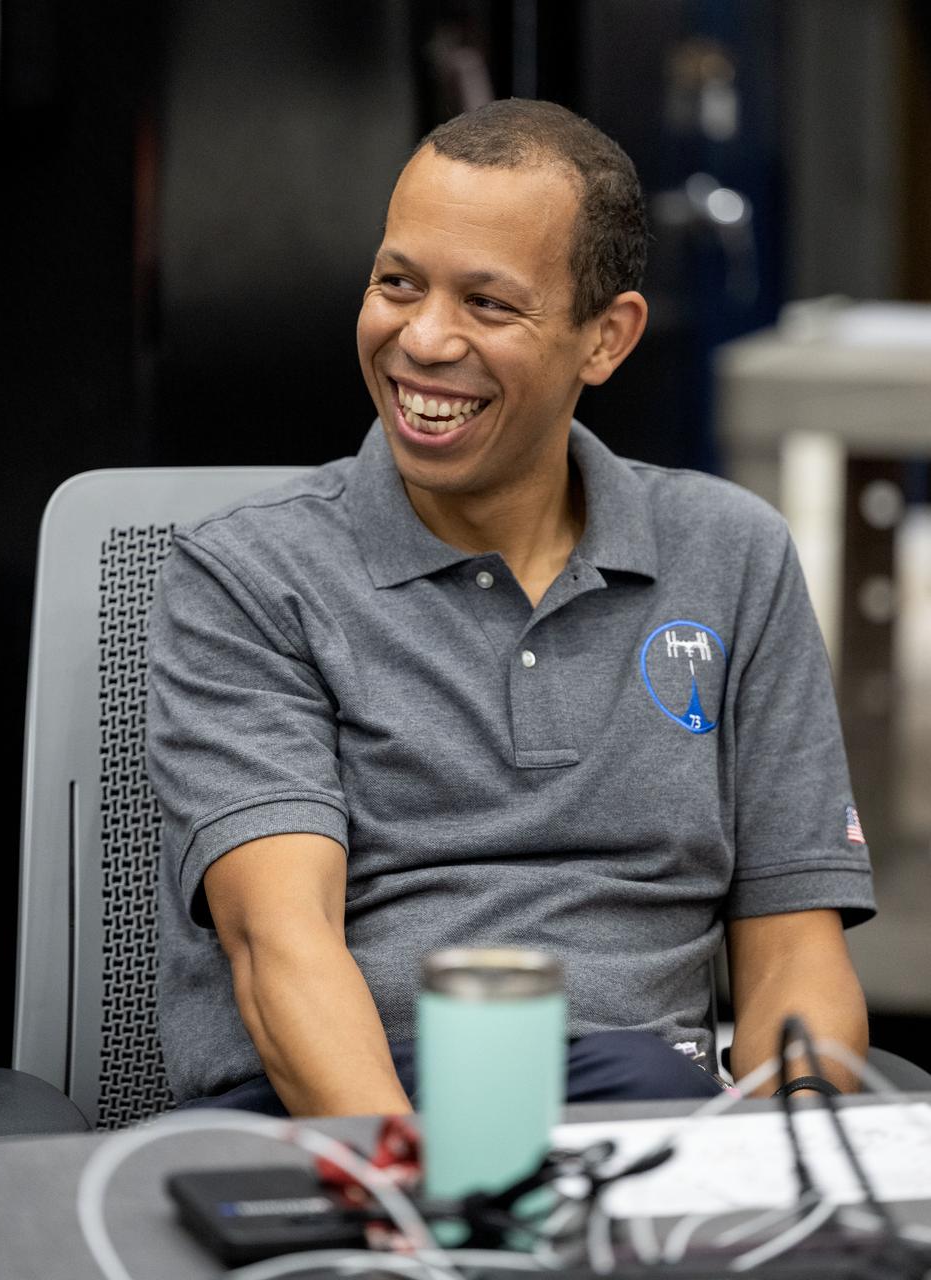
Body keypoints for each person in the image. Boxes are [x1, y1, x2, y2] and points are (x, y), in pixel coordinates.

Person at [146, 99, 875, 1117]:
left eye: (487, 305)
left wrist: (768, 1170)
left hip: (629, 1107)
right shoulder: (246, 571)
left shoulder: (730, 553)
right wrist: (428, 1207)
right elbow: (282, 950)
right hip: (325, 1119)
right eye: (396, 283)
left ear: (604, 339)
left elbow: (793, 958)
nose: (423, 339)